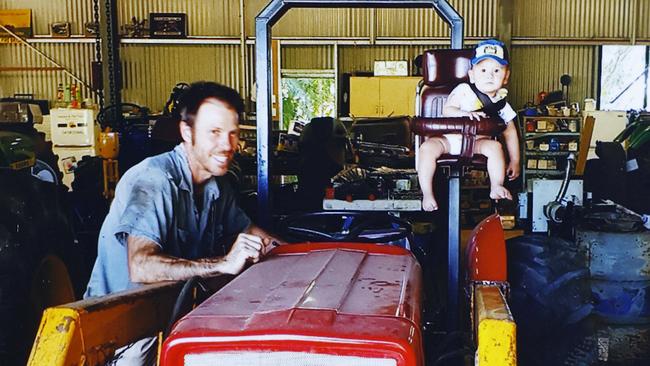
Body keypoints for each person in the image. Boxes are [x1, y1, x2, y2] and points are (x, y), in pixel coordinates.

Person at [84, 81, 284, 364]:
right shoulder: (154, 179)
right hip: (121, 333)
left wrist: (309, 256)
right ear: (187, 132)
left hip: (171, 318)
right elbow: (140, 265)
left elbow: (251, 232)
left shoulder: (218, 185)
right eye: (214, 133)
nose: (227, 145)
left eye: (232, 133)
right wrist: (222, 263)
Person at [417, 39, 520, 211]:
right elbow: (448, 110)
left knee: (495, 147)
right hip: (447, 141)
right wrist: (464, 114)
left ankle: (496, 186)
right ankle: (427, 193)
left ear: (506, 77)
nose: (490, 75)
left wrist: (515, 160)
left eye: (496, 70)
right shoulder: (463, 90)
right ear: (472, 74)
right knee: (427, 148)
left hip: (477, 143)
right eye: (483, 70)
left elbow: (510, 131)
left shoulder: (501, 103)